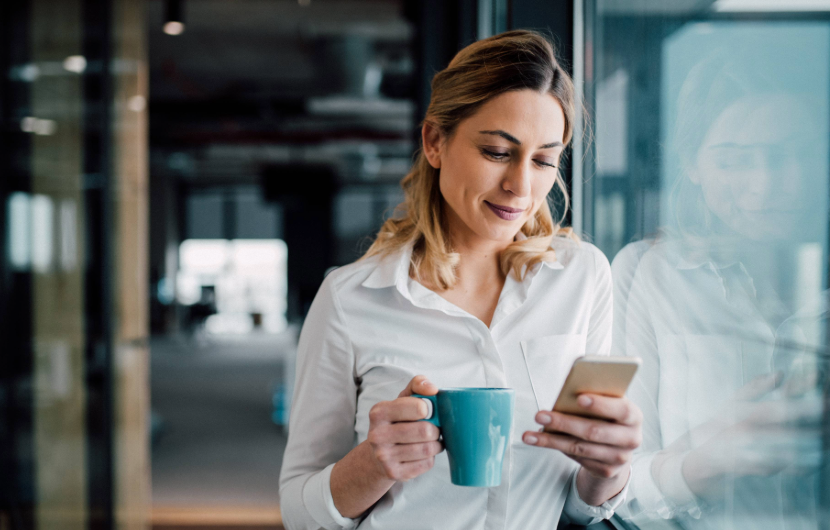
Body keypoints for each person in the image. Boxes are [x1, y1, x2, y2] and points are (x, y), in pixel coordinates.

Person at [279, 30, 642, 530]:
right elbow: (299, 511)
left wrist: (609, 468)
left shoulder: (581, 276)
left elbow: (579, 507)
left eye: (542, 160)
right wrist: (372, 464)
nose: (520, 186)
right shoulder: (350, 298)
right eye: (497, 152)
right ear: (434, 142)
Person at [612, 40, 826, 529]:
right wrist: (710, 458)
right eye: (733, 161)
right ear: (692, 165)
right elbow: (615, 492)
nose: (766, 188)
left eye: (791, 157)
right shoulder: (649, 275)